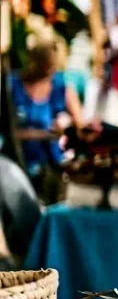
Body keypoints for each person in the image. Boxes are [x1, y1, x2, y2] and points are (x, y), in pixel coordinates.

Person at [9, 40, 84, 199]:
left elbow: (81, 126)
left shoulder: (61, 87)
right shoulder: (12, 86)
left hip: (50, 163)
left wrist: (66, 122)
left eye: (52, 68)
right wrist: (35, 134)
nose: (50, 72)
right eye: (46, 67)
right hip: (15, 161)